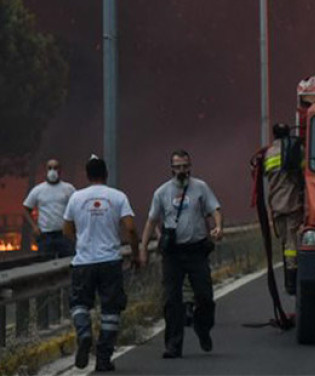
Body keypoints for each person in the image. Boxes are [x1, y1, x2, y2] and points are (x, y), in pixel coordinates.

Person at [140, 149, 223, 359]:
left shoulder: (201, 188)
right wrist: (143, 249)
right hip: (173, 254)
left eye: (185, 166)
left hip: (196, 250)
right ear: (171, 168)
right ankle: (173, 346)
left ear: (190, 166)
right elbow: (151, 220)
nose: (182, 171)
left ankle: (202, 327)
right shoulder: (162, 193)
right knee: (171, 300)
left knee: (205, 297)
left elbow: (215, 209)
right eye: (177, 167)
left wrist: (218, 226)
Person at [63, 155, 140, 372]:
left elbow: (66, 230)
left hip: (83, 262)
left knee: (79, 303)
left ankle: (84, 332)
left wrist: (81, 242)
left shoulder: (76, 198)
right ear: (106, 174)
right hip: (110, 262)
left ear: (87, 175)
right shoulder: (117, 197)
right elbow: (131, 229)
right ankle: (104, 358)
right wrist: (136, 255)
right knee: (111, 310)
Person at [264, 123, 304, 295]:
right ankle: (291, 280)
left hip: (276, 205)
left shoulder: (268, 153)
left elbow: (267, 175)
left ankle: (290, 276)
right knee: (292, 244)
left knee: (285, 243)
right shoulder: (295, 150)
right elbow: (304, 172)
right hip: (293, 203)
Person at [22, 157, 77, 258]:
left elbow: (77, 208)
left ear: (60, 170)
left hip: (64, 234)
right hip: (45, 235)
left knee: (68, 263)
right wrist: (34, 226)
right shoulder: (38, 190)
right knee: (45, 265)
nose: (53, 171)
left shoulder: (69, 188)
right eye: (50, 168)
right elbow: (26, 208)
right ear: (45, 170)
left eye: (55, 168)